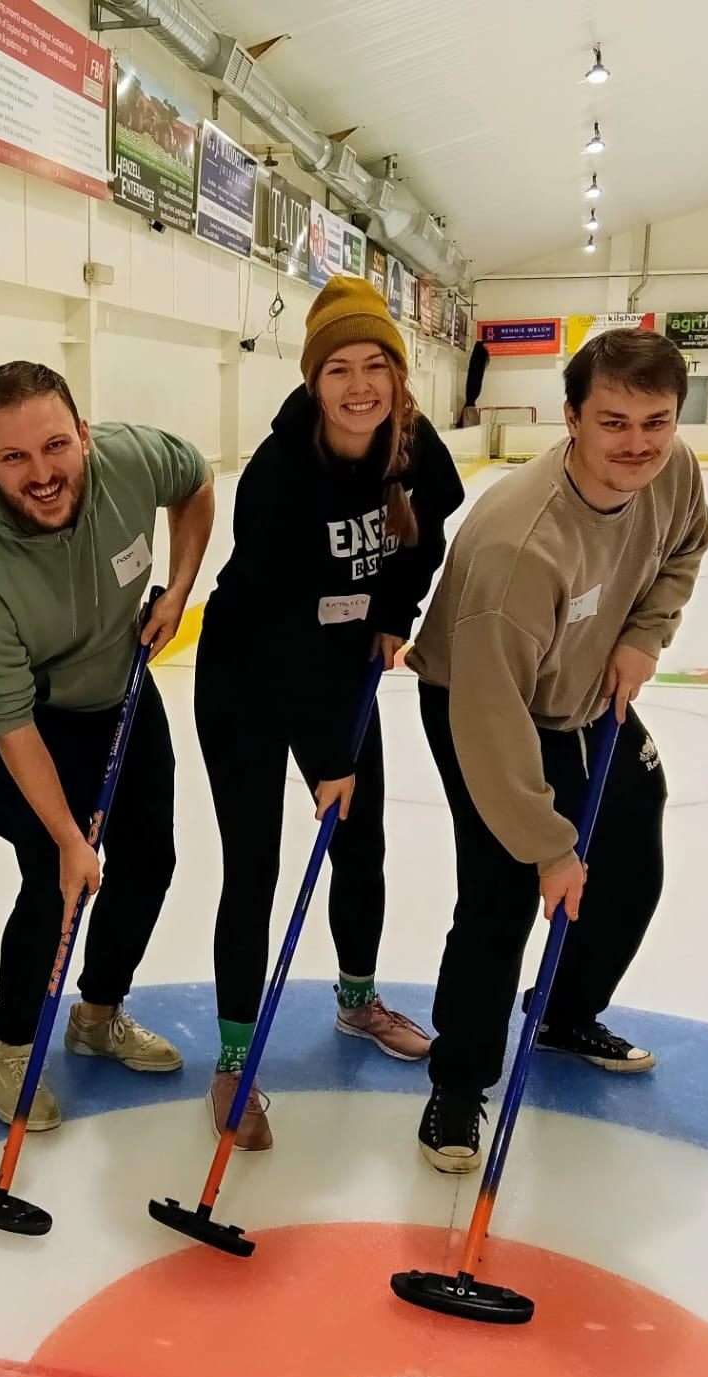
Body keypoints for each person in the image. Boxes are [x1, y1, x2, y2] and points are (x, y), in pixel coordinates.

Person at [406, 328, 708, 1172]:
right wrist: (548, 847)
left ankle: (564, 1012)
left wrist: (645, 635)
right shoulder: (518, 547)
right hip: (485, 703)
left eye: (656, 422)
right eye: (614, 423)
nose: (638, 445)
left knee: (630, 853)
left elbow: (687, 545)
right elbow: (489, 719)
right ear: (571, 418)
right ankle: (459, 1084)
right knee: (503, 893)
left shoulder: (672, 470)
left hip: (587, 688)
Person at [194, 277, 462, 1148]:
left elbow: (425, 537)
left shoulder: (413, 447)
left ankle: (357, 1002)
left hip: (340, 668)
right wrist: (329, 757)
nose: (359, 386)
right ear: (313, 380)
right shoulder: (278, 476)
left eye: (375, 365)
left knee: (362, 841)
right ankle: (234, 1060)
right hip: (248, 674)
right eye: (338, 368)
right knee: (254, 866)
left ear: (397, 374)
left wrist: (395, 616)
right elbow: (277, 629)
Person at [0, 363, 213, 1131]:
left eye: (55, 445)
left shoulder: (131, 459)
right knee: (54, 882)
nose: (41, 473)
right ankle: (12, 1045)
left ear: (84, 436)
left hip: (123, 691)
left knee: (149, 860)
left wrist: (178, 589)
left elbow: (196, 482)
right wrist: (68, 838)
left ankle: (98, 1015)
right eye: (14, 457)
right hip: (33, 722)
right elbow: (10, 720)